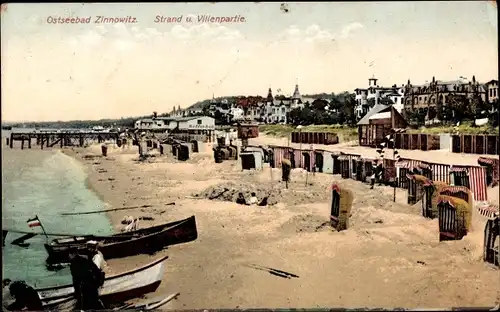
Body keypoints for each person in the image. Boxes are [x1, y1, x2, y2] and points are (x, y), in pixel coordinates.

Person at [69, 243, 105, 311]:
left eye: (69, 255)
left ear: (71, 254)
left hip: (85, 286)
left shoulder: (73, 263)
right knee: (95, 301)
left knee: (86, 304)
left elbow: (76, 280)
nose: (69, 256)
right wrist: (99, 282)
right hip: (92, 283)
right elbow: (96, 270)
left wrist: (76, 293)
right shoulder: (86, 258)